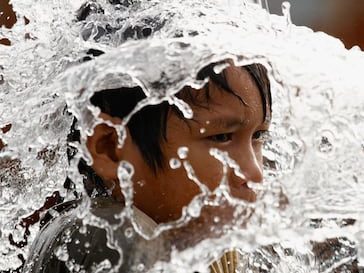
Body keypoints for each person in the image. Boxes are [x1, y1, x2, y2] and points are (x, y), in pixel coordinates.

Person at [22, 59, 272, 272]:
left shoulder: (205, 247)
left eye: (258, 136)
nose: (254, 174)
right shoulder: (113, 237)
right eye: (220, 138)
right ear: (110, 148)